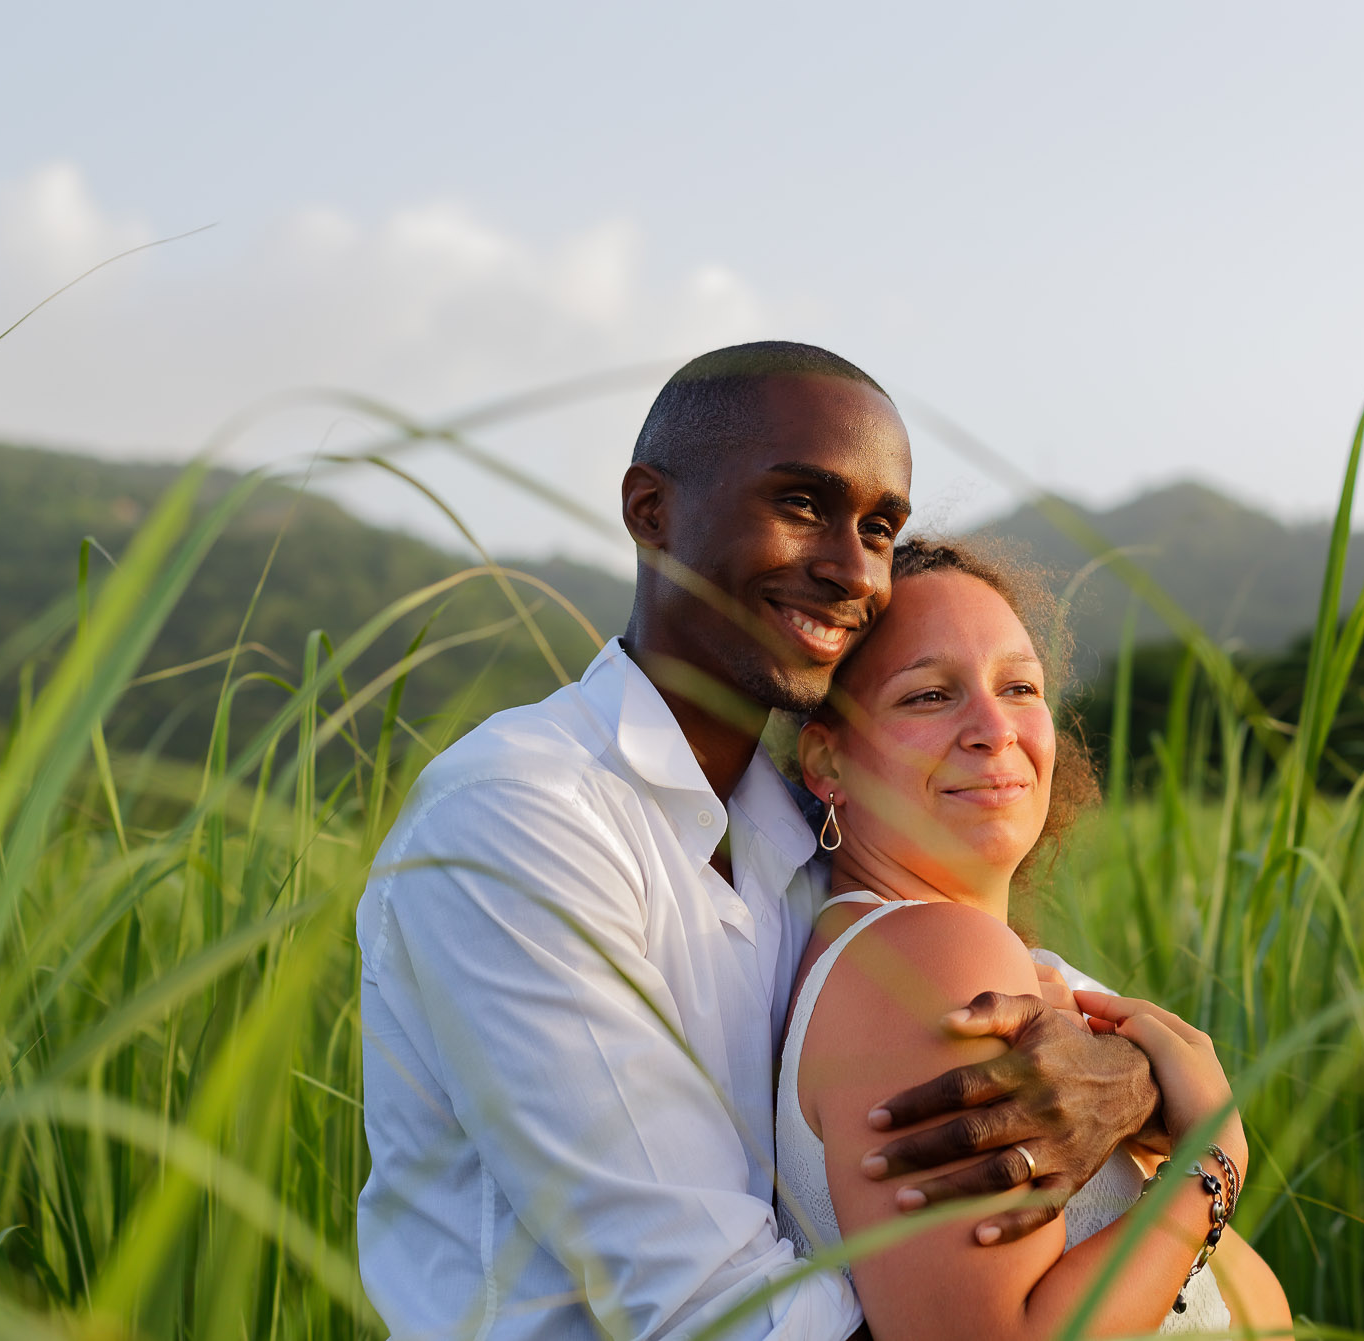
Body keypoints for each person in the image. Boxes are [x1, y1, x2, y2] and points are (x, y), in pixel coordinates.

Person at [356, 342, 1178, 1340]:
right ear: (648, 510)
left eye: (878, 527)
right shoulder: (521, 817)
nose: (848, 569)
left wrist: (1135, 1079)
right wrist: (1193, 1189)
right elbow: (704, 1308)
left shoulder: (792, 822)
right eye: (800, 505)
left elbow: (990, 981)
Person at [781, 538, 1292, 1338]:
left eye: (1020, 685)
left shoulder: (998, 966)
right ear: (826, 758)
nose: (995, 728)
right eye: (927, 695)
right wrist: (1214, 1160)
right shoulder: (933, 955)